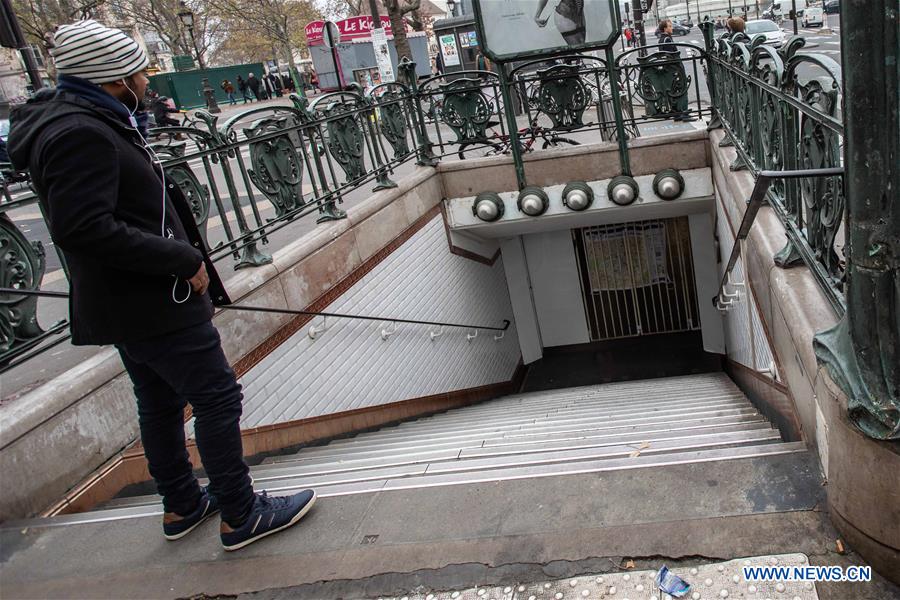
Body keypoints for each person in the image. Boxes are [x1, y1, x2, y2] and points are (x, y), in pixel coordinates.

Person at [7, 19, 316, 552]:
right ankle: (241, 513)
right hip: (151, 299)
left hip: (130, 301)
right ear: (113, 78)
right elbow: (83, 227)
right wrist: (179, 257)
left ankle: (181, 502)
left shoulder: (85, 118)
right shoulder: (79, 132)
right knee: (217, 398)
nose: (148, 82)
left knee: (157, 400)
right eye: (140, 72)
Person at [655, 19, 696, 122]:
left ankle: (677, 113)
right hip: (674, 68)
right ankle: (683, 112)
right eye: (669, 26)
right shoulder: (667, 39)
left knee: (674, 90)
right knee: (681, 89)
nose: (672, 28)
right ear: (665, 28)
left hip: (669, 69)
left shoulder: (662, 39)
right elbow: (671, 55)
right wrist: (677, 68)